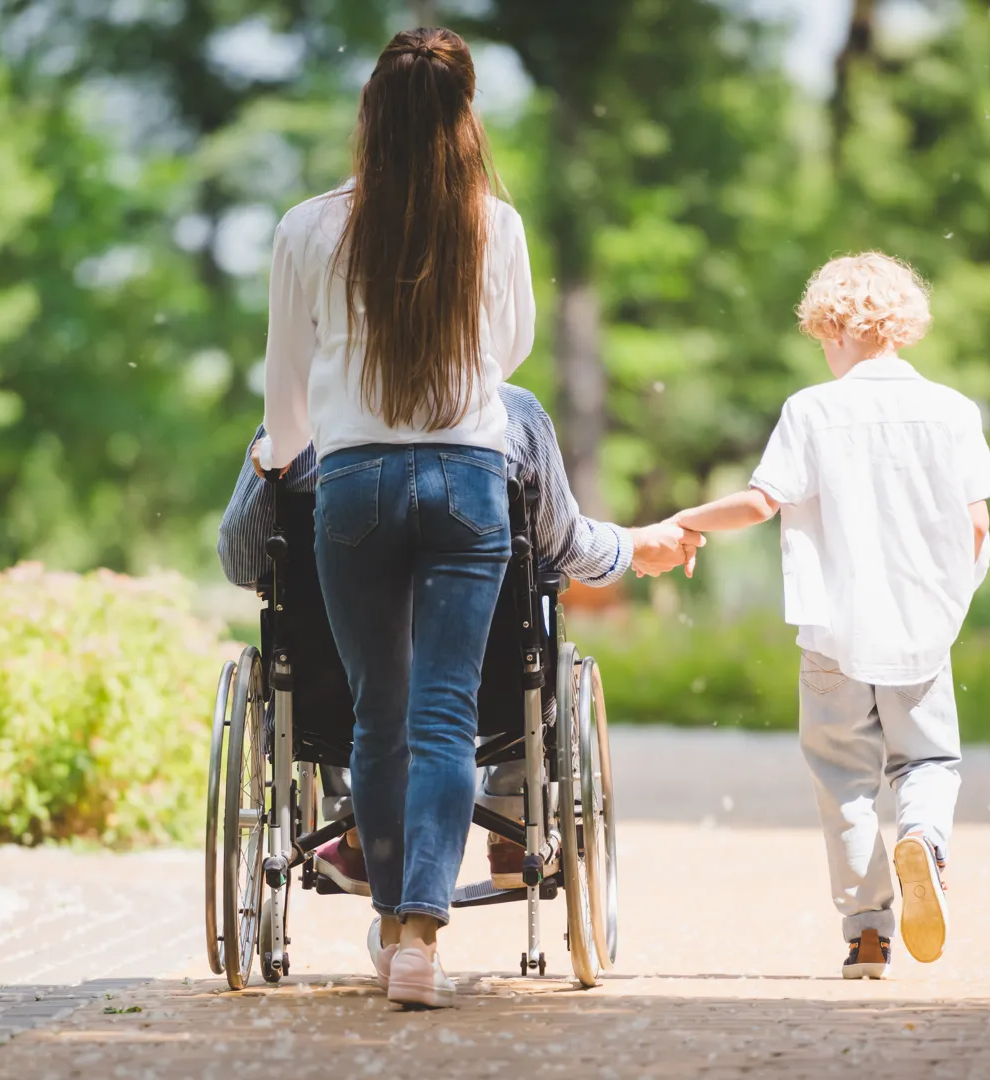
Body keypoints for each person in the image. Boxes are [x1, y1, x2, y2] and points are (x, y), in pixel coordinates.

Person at [249, 27, 683, 1009]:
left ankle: (390, 909)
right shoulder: (495, 224)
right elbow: (512, 353)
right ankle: (418, 942)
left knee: (379, 716)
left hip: (354, 486)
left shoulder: (307, 229)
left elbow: (287, 393)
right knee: (445, 714)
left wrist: (281, 455)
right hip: (467, 482)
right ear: (464, 119)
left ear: (369, 115)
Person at [219, 384, 698, 900]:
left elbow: (244, 561)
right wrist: (633, 545)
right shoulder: (509, 412)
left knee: (324, 633)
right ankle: (514, 816)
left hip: (333, 696)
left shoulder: (302, 416)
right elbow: (566, 547)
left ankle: (354, 825)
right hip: (488, 689)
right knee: (529, 594)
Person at [669, 252, 990, 980]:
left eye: (822, 334)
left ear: (835, 327)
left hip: (833, 636)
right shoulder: (951, 411)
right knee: (930, 760)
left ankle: (868, 934)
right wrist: (949, 600)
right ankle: (923, 838)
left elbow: (761, 502)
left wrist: (684, 519)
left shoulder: (812, 410)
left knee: (844, 781)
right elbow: (975, 524)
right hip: (920, 631)